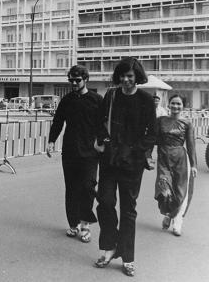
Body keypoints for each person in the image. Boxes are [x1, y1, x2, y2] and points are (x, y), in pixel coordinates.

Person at [93, 57, 156, 277]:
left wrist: (135, 151)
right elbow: (99, 122)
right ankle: (111, 245)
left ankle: (128, 257)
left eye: (130, 76)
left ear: (137, 76)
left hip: (132, 163)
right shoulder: (111, 96)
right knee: (105, 202)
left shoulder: (146, 100)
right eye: (122, 76)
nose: (125, 80)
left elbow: (152, 134)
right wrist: (104, 140)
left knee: (128, 210)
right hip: (110, 159)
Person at [47, 65, 103, 243]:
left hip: (90, 152)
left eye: (77, 80)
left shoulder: (96, 99)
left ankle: (85, 224)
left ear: (86, 79)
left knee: (87, 187)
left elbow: (104, 124)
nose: (73, 83)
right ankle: (73, 223)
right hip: (70, 150)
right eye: (71, 80)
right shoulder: (67, 100)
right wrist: (51, 141)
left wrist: (101, 143)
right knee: (71, 188)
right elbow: (58, 122)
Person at [154, 94, 197, 236]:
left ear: (183, 106)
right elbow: (153, 138)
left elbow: (191, 145)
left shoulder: (187, 123)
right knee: (164, 189)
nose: (175, 106)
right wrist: (147, 156)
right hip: (164, 158)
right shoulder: (160, 121)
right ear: (169, 104)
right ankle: (169, 213)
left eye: (178, 104)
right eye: (173, 103)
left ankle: (177, 222)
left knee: (180, 193)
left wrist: (194, 165)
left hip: (181, 159)